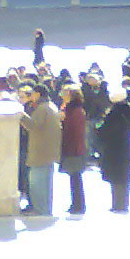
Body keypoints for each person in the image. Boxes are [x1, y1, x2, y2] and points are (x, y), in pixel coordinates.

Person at [19, 83, 62, 216]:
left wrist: (20, 115)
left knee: (37, 183)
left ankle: (40, 210)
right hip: (48, 151)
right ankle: (44, 209)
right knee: (45, 184)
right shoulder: (51, 106)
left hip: (40, 152)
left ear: (38, 94)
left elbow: (33, 125)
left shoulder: (42, 109)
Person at [96, 88, 130, 212]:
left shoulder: (111, 114)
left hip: (112, 148)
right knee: (125, 176)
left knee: (115, 178)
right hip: (126, 147)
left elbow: (102, 132)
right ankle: (124, 203)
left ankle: (116, 204)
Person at [59, 84, 88, 216]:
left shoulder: (75, 110)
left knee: (75, 176)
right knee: (74, 176)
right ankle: (75, 204)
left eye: (65, 92)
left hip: (74, 147)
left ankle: (78, 205)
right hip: (72, 146)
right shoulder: (70, 108)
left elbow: (75, 130)